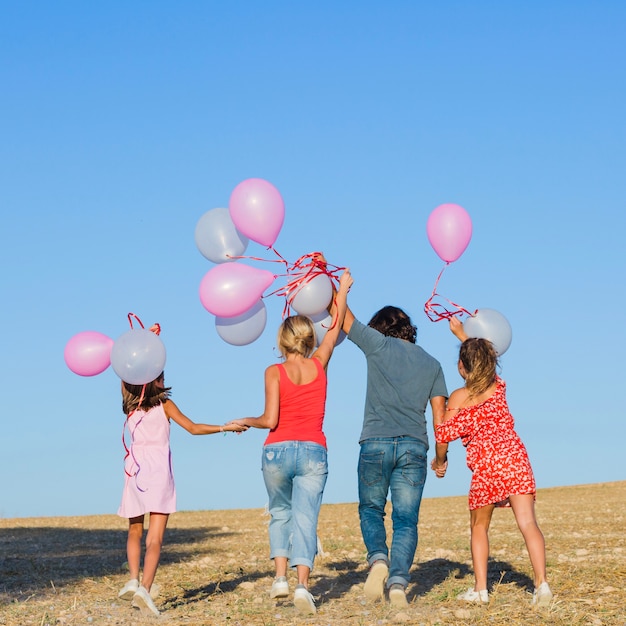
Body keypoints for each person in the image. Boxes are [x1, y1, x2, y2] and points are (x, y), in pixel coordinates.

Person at [229, 268, 353, 616]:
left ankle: (280, 578)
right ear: (308, 339)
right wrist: (341, 289)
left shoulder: (274, 372)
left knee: (280, 513)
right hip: (313, 449)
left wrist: (245, 421)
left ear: (283, 342)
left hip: (277, 451)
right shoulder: (321, 363)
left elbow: (269, 420)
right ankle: (302, 586)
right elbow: (336, 321)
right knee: (305, 518)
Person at [431, 317, 552, 607]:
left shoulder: (459, 397)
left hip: (486, 467)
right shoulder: (499, 388)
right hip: (514, 458)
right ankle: (542, 585)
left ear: (461, 367)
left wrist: (439, 461)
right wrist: (463, 334)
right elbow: (482, 359)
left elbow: (443, 435)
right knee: (528, 523)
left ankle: (481, 589)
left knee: (478, 527)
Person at [341, 303, 448, 608]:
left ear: (380, 327)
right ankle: (399, 585)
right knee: (406, 521)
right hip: (415, 446)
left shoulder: (378, 344)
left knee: (371, 510)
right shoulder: (433, 363)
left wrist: (336, 282)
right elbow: (440, 417)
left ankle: (378, 561)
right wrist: (441, 458)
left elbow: (344, 315)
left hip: (375, 442)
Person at [117, 372, 247, 617]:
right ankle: (144, 589)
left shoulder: (129, 406)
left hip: (134, 472)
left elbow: (125, 372)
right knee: (155, 538)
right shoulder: (164, 405)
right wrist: (224, 427)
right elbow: (193, 428)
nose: (164, 382)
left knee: (134, 529)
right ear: (153, 380)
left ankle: (133, 579)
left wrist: (148, 344)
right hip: (158, 474)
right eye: (161, 378)